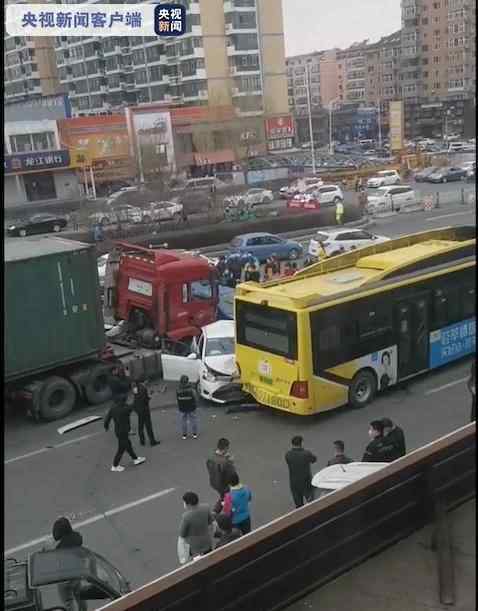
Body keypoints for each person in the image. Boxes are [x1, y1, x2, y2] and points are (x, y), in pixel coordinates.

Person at [104, 393, 145, 472]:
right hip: (124, 431)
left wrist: (106, 426)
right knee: (121, 449)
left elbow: (107, 419)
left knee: (127, 445)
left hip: (118, 431)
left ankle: (135, 459)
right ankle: (115, 465)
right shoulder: (126, 408)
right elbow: (134, 406)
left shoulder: (113, 408)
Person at [52, 518, 86, 611]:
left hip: (65, 577)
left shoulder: (59, 548)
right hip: (77, 573)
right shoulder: (77, 537)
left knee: (68, 601)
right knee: (80, 596)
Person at [178, 492, 213, 564]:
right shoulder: (206, 507)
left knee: (198, 564)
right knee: (210, 559)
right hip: (207, 542)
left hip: (195, 547)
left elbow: (182, 534)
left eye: (184, 502)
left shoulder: (186, 517)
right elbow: (210, 522)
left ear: (188, 504)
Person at [285, 436, 317, 508]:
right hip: (306, 482)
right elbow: (314, 460)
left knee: (299, 505)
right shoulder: (306, 453)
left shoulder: (288, 455)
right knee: (311, 502)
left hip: (294, 483)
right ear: (301, 443)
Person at [132, 381, 159, 446]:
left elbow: (136, 397)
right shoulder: (143, 388)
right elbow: (144, 399)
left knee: (140, 425)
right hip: (144, 409)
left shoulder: (135, 387)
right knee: (148, 425)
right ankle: (152, 441)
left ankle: (142, 440)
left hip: (138, 408)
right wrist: (150, 397)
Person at [176, 375, 198, 440]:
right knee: (193, 420)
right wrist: (195, 404)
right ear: (187, 381)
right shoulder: (191, 389)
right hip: (191, 407)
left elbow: (177, 398)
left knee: (183, 421)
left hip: (182, 407)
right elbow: (195, 398)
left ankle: (184, 435)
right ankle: (194, 434)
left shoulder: (178, 389)